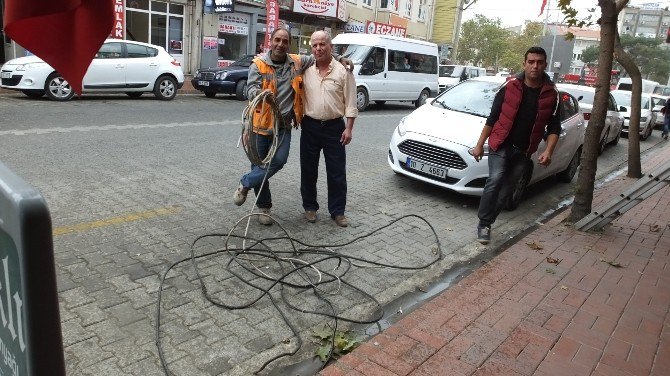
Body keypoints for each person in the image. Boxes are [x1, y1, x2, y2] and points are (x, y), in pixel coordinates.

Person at [233, 28, 351, 225]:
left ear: (289, 45)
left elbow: (320, 53)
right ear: (270, 42)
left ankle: (246, 182)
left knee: (278, 161)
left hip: (282, 126)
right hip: (259, 126)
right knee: (259, 166)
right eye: (277, 40)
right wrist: (259, 95)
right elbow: (250, 89)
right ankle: (264, 208)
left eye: (285, 41)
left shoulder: (296, 61)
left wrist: (340, 58)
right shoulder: (258, 64)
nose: (280, 44)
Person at [471, 46, 561, 244]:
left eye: (539, 62)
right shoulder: (510, 86)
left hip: (523, 151)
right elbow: (493, 117)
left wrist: (548, 151)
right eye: (531, 62)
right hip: (501, 144)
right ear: (524, 63)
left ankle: (488, 222)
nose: (535, 66)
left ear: (545, 65)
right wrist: (479, 145)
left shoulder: (552, 94)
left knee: (506, 190)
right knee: (495, 179)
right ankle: (483, 224)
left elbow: (554, 126)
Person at [300, 30, 358, 227]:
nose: (318, 48)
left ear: (330, 47)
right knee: (308, 170)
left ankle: (338, 212)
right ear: (311, 48)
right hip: (310, 126)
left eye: (322, 44)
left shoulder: (344, 71)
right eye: (315, 45)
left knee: (336, 172)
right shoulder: (305, 68)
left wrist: (348, 128)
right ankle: (309, 207)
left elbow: (351, 102)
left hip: (335, 127)